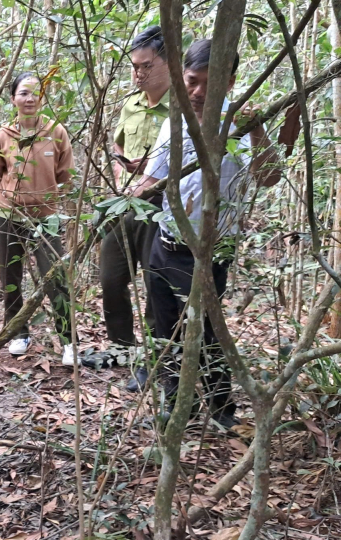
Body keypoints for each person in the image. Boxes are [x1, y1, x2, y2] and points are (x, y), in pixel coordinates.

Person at [130, 38, 281, 427]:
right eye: (191, 81)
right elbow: (154, 179)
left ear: (229, 84)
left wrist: (258, 130)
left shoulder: (243, 125)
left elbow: (269, 177)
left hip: (209, 250)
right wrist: (126, 192)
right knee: (165, 328)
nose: (197, 93)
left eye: (208, 85)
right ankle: (177, 405)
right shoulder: (174, 120)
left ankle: (221, 411)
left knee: (208, 333)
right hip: (165, 244)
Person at [92, 26, 171, 391]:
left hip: (162, 209)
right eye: (134, 67)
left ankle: (153, 362)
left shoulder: (183, 108)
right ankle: (121, 348)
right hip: (124, 204)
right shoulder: (131, 103)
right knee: (110, 279)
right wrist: (121, 172)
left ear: (169, 64)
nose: (138, 74)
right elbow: (117, 147)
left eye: (146, 66)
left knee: (156, 286)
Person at [0, 72, 77, 366]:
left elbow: (66, 176)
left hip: (46, 217)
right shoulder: (2, 135)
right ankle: (18, 333)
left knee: (56, 277)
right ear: (13, 99)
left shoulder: (56, 132)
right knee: (10, 276)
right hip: (8, 215)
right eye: (23, 93)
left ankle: (68, 341)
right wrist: (13, 199)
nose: (30, 98)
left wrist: (45, 199)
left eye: (36, 92)